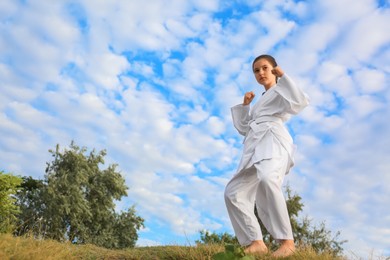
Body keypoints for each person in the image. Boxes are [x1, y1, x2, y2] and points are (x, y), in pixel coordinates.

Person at [224, 54, 309, 257]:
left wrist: (283, 75)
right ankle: (256, 241)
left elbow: (301, 101)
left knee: (268, 179)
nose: (260, 73)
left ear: (274, 69)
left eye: (265, 68)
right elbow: (245, 128)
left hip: (273, 142)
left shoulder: (281, 91)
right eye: (256, 70)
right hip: (254, 147)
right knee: (233, 193)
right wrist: (245, 106)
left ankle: (287, 242)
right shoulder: (260, 101)